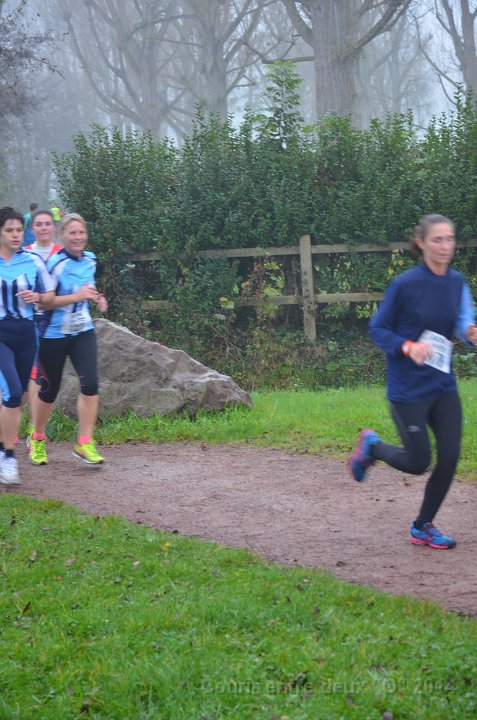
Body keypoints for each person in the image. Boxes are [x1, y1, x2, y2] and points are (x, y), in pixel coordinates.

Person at [348, 213, 477, 549]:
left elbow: (464, 321)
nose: (446, 246)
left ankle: (423, 525)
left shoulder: (457, 282)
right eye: (438, 239)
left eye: (450, 239)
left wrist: (471, 333)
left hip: (442, 384)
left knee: (449, 457)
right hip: (408, 388)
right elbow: (378, 328)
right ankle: (372, 446)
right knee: (419, 463)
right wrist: (407, 347)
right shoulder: (405, 285)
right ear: (421, 242)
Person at [28, 212, 108, 466]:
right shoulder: (54, 263)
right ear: (62, 236)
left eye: (81, 232)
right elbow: (45, 301)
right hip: (53, 334)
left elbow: (88, 288)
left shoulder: (91, 259)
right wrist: (77, 296)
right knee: (49, 390)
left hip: (83, 330)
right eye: (72, 232)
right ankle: (37, 438)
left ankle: (84, 442)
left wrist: (97, 297)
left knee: (91, 385)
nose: (78, 237)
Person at [0, 207, 55, 485]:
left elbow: (50, 295)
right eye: (9, 230)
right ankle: (9, 457)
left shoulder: (33, 261)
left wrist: (37, 297)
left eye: (19, 230)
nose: (15, 235)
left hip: (26, 334)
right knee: (11, 393)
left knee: (18, 397)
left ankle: (2, 446)